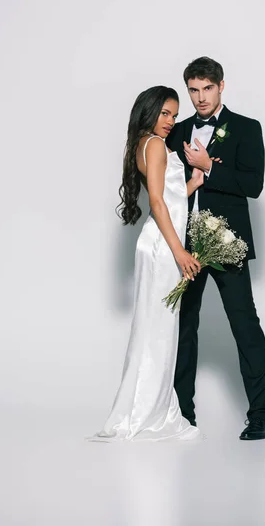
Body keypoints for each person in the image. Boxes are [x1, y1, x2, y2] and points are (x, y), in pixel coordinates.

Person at [88, 85, 211, 442]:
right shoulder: (155, 144)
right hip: (161, 245)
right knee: (158, 329)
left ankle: (148, 408)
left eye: (174, 114)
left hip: (157, 241)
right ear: (149, 111)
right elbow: (157, 203)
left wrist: (193, 182)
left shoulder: (142, 143)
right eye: (165, 114)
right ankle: (148, 414)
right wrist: (180, 252)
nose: (171, 121)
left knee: (157, 326)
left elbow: (169, 199)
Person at [167, 57, 265, 440]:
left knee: (244, 324)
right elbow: (164, 189)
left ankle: (261, 414)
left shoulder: (246, 128)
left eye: (207, 89)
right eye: (193, 90)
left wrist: (206, 166)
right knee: (183, 326)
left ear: (221, 86)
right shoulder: (175, 131)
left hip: (226, 242)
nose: (200, 97)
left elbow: (253, 183)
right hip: (185, 245)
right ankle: (182, 414)